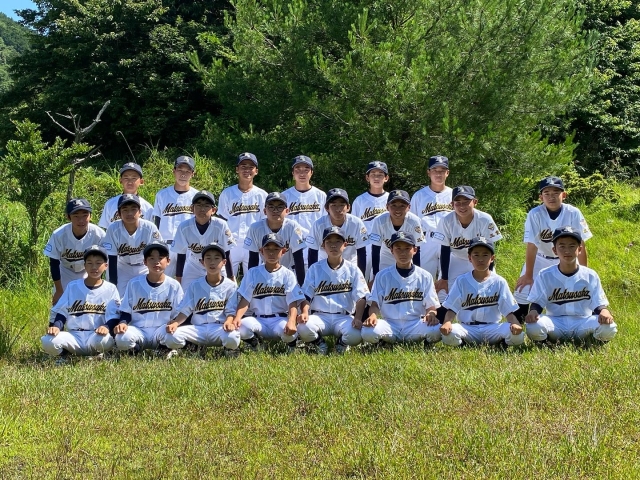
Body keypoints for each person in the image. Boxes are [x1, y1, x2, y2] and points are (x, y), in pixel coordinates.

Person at [513, 176, 592, 323]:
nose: (551, 197)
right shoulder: (535, 214)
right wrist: (528, 275)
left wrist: (585, 272)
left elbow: (581, 244)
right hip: (541, 258)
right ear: (540, 197)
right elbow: (532, 246)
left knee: (579, 289)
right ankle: (517, 327)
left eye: (556, 192)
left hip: (567, 259)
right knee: (522, 291)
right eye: (547, 193)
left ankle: (583, 321)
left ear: (564, 195)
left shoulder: (573, 212)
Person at [524, 226, 617, 344]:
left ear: (580, 249)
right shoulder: (544, 274)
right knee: (533, 326)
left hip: (583, 322)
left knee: (609, 327)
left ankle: (591, 344)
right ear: (554, 250)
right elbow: (537, 302)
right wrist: (533, 312)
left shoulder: (590, 275)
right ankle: (547, 344)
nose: (567, 251)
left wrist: (604, 311)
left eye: (572, 246)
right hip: (555, 322)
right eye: (562, 246)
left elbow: (598, 303)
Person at [164, 242, 253, 357]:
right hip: (198, 329)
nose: (212, 262)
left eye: (216, 258)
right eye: (208, 258)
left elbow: (231, 310)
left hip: (219, 328)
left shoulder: (230, 286)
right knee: (170, 337)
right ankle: (193, 347)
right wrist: (176, 323)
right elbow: (185, 309)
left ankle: (228, 349)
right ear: (202, 262)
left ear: (224, 262)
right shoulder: (195, 285)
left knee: (233, 337)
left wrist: (228, 321)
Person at [439, 237, 524, 348]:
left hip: (492, 328)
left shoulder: (499, 281)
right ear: (469, 258)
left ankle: (500, 344)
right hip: (468, 328)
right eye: (476, 255)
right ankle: (464, 344)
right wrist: (447, 322)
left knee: (518, 336)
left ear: (492, 258)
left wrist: (515, 323)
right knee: (449, 334)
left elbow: (508, 310)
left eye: (485, 255)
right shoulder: (461, 281)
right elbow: (452, 308)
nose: (480, 259)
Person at [361, 232, 441, 347]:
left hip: (415, 324)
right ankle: (384, 341)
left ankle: (426, 344)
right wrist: (373, 315)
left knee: (437, 329)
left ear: (415, 250)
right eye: (398, 248)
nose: (403, 253)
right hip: (390, 324)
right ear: (391, 250)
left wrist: (431, 315)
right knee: (367, 332)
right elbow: (374, 304)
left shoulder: (425, 276)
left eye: (407, 248)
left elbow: (431, 307)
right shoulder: (382, 276)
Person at [297, 226, 369, 354]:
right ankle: (320, 344)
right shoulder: (315, 268)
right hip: (320, 316)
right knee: (303, 327)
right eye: (329, 242)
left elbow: (361, 297)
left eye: (338, 241)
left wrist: (358, 318)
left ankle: (341, 344)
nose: (333, 245)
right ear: (323, 246)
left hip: (343, 316)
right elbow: (307, 296)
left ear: (345, 245)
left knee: (356, 334)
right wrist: (304, 312)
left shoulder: (353, 269)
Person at [41, 245, 119, 363]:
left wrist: (106, 327)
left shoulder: (110, 288)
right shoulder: (73, 286)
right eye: (89, 263)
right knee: (47, 341)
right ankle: (66, 355)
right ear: (84, 266)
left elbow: (114, 316)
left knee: (104, 340)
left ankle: (100, 354)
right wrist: (56, 326)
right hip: (74, 335)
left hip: (96, 335)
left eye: (98, 263)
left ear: (106, 266)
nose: (94, 267)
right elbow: (62, 312)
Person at [229, 233, 305, 352]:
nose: (271, 253)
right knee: (240, 328)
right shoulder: (253, 272)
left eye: (276, 249)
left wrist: (291, 321)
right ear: (261, 251)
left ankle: (292, 344)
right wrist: (237, 317)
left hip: (279, 319)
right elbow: (245, 300)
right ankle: (256, 343)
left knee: (289, 334)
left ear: (283, 251)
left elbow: (292, 302)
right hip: (258, 320)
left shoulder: (288, 274)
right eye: (267, 249)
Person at [433, 185, 502, 314]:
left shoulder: (484, 219)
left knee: (488, 289)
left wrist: (489, 273)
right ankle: (442, 322)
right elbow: (445, 249)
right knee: (443, 292)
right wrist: (444, 278)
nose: (462, 206)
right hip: (456, 258)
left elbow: (490, 250)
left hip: (479, 259)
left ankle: (485, 320)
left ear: (475, 202)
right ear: (452, 204)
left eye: (466, 202)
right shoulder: (446, 220)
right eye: (458, 202)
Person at [109, 241, 183, 356]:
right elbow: (126, 310)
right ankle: (136, 350)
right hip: (138, 329)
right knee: (121, 338)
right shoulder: (134, 283)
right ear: (145, 262)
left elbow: (179, 312)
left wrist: (174, 324)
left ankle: (164, 348)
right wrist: (123, 322)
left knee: (176, 336)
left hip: (162, 329)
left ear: (168, 261)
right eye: (151, 258)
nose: (156, 262)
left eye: (160, 258)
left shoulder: (174, 285)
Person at [44, 198, 105, 315]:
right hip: (65, 271)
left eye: (85, 215)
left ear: (90, 216)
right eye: (76, 216)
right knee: (59, 308)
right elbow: (54, 262)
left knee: (88, 307)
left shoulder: (99, 234)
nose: (81, 220)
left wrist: (97, 281)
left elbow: (103, 262)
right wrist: (59, 290)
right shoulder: (59, 234)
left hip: (87, 271)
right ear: (68, 217)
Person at [171, 190, 235, 291]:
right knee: (183, 293)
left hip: (217, 264)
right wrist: (179, 280)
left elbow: (227, 252)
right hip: (194, 265)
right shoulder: (184, 227)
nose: (202, 209)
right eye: (199, 205)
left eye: (206, 205)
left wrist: (231, 277)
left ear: (213, 210)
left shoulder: (221, 225)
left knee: (228, 291)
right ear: (192, 208)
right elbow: (181, 255)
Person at [217, 152, 268, 277]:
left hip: (254, 243)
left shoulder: (262, 195)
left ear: (256, 171)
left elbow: (265, 222)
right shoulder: (227, 193)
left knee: (254, 279)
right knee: (226, 279)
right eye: (243, 166)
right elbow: (222, 221)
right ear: (237, 169)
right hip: (231, 244)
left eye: (251, 167)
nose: (247, 170)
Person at [102, 194, 162, 295]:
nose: (129, 213)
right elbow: (112, 259)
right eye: (125, 210)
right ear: (119, 214)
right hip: (122, 267)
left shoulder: (149, 227)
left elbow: (159, 253)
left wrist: (156, 275)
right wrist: (114, 285)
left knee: (148, 295)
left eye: (133, 209)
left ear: (140, 212)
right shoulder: (113, 229)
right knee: (118, 297)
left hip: (144, 267)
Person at [244, 192, 307, 285]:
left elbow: (298, 258)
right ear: (264, 211)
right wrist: (250, 283)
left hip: (290, 270)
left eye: (280, 207)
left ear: (287, 211)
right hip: (266, 270)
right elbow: (253, 259)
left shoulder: (293, 227)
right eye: (271, 207)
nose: (275, 210)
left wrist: (302, 285)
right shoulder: (255, 228)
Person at [152, 156, 198, 277]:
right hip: (166, 245)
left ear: (192, 174)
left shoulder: (197, 196)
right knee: (161, 280)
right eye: (180, 170)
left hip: (189, 246)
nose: (183, 174)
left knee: (187, 281)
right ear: (174, 171)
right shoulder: (162, 195)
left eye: (187, 171)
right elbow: (157, 222)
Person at [307, 188, 368, 276]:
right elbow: (312, 252)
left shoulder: (356, 223)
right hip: (324, 267)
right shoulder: (318, 225)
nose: (338, 209)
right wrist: (312, 276)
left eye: (342, 205)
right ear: (326, 208)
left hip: (350, 267)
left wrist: (361, 276)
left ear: (348, 207)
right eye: (334, 205)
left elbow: (361, 252)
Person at [410, 155, 453, 278]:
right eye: (435, 170)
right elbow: (411, 222)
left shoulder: (454, 194)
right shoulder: (419, 196)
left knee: (448, 277)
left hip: (448, 239)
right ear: (428, 172)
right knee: (423, 276)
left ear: (447, 173)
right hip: (426, 240)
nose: (438, 174)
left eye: (442, 170)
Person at [368, 189, 425, 280]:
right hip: (385, 257)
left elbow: (417, 250)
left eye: (402, 206)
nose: (397, 209)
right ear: (387, 207)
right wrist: (375, 274)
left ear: (409, 207)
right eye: (393, 205)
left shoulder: (414, 221)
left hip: (406, 258)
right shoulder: (379, 220)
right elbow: (375, 249)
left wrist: (417, 272)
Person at [282, 155, 327, 267]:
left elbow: (327, 222)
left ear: (311, 172)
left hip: (316, 246)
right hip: (292, 246)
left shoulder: (321, 195)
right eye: (298, 169)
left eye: (306, 169)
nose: (302, 173)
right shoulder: (284, 196)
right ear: (292, 173)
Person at [351, 161, 390, 280]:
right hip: (365, 245)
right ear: (367, 178)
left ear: (386, 178)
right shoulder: (359, 200)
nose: (376, 177)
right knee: (362, 278)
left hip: (385, 246)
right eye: (373, 174)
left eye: (380, 174)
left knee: (384, 279)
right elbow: (353, 226)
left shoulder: (391, 199)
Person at [98, 162, 154, 228]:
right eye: (126, 178)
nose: (130, 182)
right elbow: (105, 229)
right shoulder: (110, 204)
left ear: (141, 182)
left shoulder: (148, 208)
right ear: (120, 180)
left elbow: (151, 230)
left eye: (134, 178)